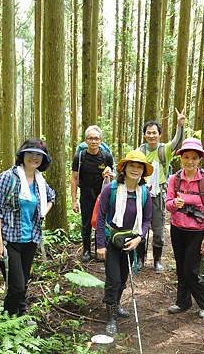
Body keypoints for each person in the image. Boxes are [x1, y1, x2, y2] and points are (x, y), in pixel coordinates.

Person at [0, 138, 56, 316]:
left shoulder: (40, 181)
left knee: (22, 281)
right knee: (16, 285)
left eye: (39, 155)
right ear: (22, 156)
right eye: (31, 153)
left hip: (31, 239)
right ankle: (8, 318)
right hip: (9, 239)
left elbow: (51, 198)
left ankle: (21, 312)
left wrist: (43, 213)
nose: (34, 158)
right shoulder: (8, 177)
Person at [96, 150, 153, 336]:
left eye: (139, 167)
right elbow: (100, 217)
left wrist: (139, 238)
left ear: (143, 171)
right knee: (113, 280)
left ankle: (116, 304)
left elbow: (147, 220)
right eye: (132, 165)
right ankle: (110, 316)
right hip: (112, 240)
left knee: (123, 279)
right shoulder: (110, 189)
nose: (135, 169)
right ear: (125, 168)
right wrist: (100, 245)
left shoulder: (144, 192)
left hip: (131, 242)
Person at [165, 138, 204, 319]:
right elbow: (168, 204)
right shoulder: (174, 179)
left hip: (197, 232)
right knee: (180, 267)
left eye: (194, 157)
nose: (190, 161)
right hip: (177, 229)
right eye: (186, 157)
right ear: (181, 158)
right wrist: (174, 203)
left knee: (190, 270)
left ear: (199, 159)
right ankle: (182, 302)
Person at [136, 108, 186, 272]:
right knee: (139, 227)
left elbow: (177, 143)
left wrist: (180, 126)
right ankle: (140, 259)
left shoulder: (164, 150)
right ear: (144, 135)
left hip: (159, 195)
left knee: (158, 229)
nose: (151, 135)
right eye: (148, 133)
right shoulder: (139, 152)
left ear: (159, 134)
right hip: (141, 193)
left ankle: (157, 260)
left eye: (154, 133)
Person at [70, 125, 115, 262]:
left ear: (100, 140)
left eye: (96, 138)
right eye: (90, 138)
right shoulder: (80, 157)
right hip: (86, 194)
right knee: (86, 223)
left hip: (102, 194)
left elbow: (113, 177)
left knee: (101, 221)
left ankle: (99, 248)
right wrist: (74, 200)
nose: (93, 141)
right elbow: (74, 178)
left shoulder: (106, 156)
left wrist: (108, 175)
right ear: (86, 140)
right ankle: (86, 250)